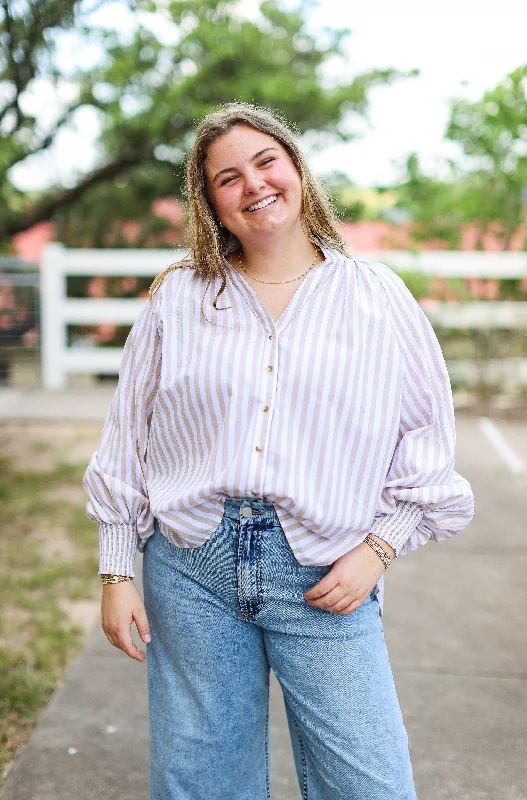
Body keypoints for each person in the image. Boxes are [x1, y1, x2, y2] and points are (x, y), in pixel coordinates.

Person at [83, 101, 475, 800]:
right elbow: (128, 439)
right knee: (202, 782)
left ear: (296, 169)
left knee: (369, 784)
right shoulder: (180, 297)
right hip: (190, 569)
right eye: (226, 177)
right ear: (209, 204)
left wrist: (377, 548)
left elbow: (425, 441)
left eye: (265, 161)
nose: (253, 184)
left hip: (326, 572)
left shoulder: (375, 297)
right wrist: (116, 573)